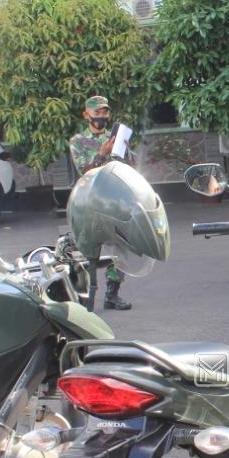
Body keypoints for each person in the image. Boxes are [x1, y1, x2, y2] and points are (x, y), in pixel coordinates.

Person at [69, 95, 134, 310]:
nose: (101, 116)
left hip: (113, 203)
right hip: (88, 204)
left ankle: (112, 295)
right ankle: (87, 300)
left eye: (105, 112)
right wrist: (101, 154)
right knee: (89, 253)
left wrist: (124, 148)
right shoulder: (78, 141)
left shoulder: (115, 138)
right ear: (86, 115)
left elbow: (128, 168)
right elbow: (84, 172)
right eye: (97, 112)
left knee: (121, 249)